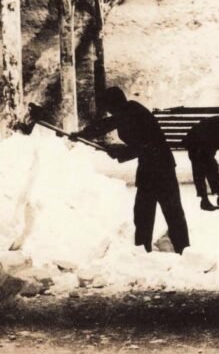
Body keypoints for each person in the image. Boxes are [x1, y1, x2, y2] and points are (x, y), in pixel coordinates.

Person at [72, 87, 190, 254]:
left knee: (169, 210)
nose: (108, 110)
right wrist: (83, 134)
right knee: (144, 211)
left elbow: (144, 146)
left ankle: (182, 249)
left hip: (160, 166)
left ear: (115, 103)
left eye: (108, 106)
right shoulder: (127, 111)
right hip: (150, 165)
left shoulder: (133, 113)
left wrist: (119, 151)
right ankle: (144, 249)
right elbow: (107, 124)